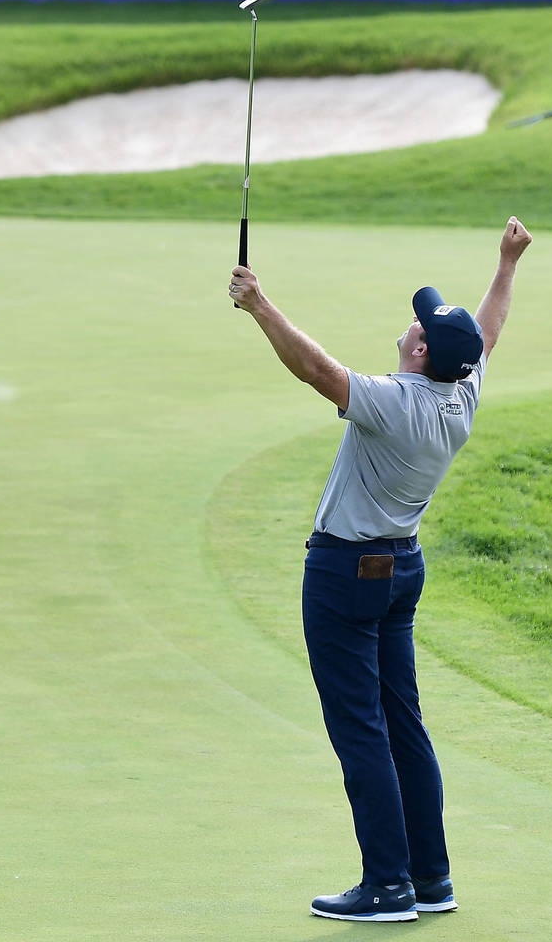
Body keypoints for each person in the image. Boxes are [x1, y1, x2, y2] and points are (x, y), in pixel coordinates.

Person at [228, 217, 533, 923]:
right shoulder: (462, 389)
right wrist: (506, 262)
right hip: (402, 570)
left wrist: (259, 305)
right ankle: (430, 880)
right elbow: (489, 330)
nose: (409, 326)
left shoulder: (394, 403)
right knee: (404, 727)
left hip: (344, 574)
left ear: (422, 351)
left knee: (361, 729)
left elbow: (318, 371)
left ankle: (387, 886)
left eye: (417, 325)